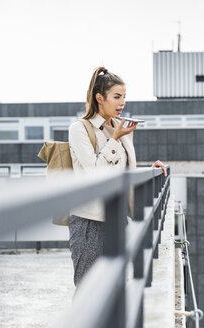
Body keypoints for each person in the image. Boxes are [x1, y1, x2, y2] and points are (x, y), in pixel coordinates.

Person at [67, 66, 166, 286]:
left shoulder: (119, 129)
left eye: (124, 97)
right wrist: (116, 138)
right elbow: (95, 171)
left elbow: (121, 173)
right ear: (100, 98)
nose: (122, 103)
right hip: (89, 221)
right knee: (88, 289)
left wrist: (148, 169)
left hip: (118, 218)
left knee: (116, 288)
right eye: (117, 97)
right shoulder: (80, 129)